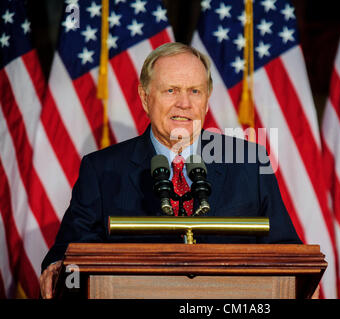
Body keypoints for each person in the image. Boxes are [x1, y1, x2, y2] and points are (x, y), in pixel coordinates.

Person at [39, 42, 302, 299]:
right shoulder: (101, 169)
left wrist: (299, 282)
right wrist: (59, 267)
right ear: (145, 97)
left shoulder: (250, 163)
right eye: (171, 91)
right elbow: (69, 252)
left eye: (195, 91)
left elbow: (286, 250)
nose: (184, 103)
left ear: (207, 101)